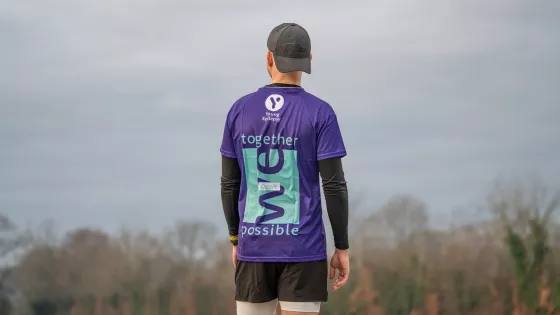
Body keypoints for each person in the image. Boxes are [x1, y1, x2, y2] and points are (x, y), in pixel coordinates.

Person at [220, 22, 350, 315]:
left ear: (269, 58)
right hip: (304, 249)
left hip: (253, 248)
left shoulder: (239, 110)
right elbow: (334, 185)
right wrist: (341, 246)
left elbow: (229, 182)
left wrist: (235, 238)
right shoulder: (321, 113)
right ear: (308, 61)